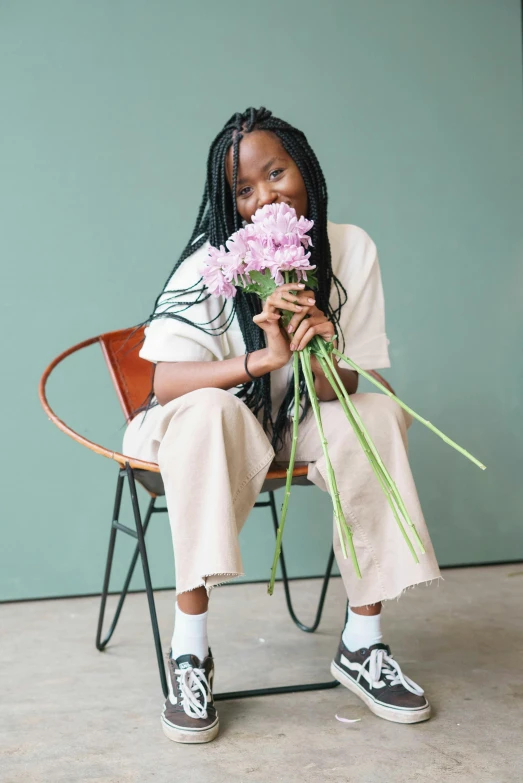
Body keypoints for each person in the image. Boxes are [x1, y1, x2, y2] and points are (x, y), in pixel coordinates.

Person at [123, 107, 441, 745]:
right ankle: (191, 654)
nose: (265, 195)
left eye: (276, 172)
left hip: (288, 421)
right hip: (195, 430)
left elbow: (346, 389)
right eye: (244, 189)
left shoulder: (350, 249)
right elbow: (162, 385)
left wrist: (321, 349)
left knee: (379, 410)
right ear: (228, 202)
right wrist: (263, 359)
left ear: (306, 169)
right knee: (214, 409)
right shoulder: (210, 265)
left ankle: (363, 642)